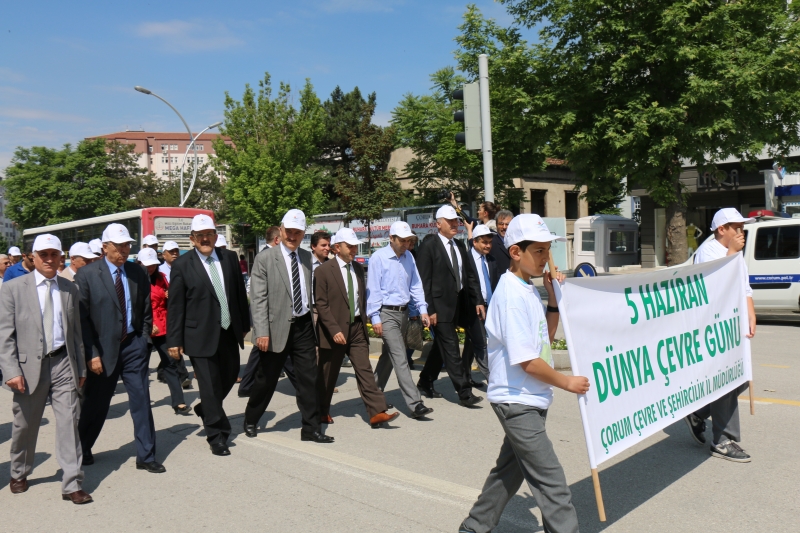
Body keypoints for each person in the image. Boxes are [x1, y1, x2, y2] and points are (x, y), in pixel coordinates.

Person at [460, 214, 588, 533]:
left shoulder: (526, 288)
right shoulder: (512, 296)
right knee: (552, 483)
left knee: (508, 472)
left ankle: (474, 527)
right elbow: (527, 360)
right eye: (540, 251)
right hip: (517, 401)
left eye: (548, 250)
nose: (547, 258)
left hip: (530, 398)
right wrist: (568, 382)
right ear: (516, 252)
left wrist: (554, 299)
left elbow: (544, 337)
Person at [0, 234, 92, 504]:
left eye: (54, 254)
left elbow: (75, 332)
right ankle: (19, 472)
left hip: (64, 362)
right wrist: (11, 370)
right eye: (44, 255)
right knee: (25, 425)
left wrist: (81, 366)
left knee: (69, 423)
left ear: (60, 257)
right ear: (33, 257)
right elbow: (4, 335)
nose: (50, 259)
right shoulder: (13, 288)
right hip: (29, 367)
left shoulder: (68, 288)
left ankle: (72, 482)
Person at [76, 223, 164, 473]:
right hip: (102, 352)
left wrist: (144, 340)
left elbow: (145, 309)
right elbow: (82, 320)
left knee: (141, 400)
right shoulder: (88, 275)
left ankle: (146, 455)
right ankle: (83, 448)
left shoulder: (137, 273)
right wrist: (92, 353)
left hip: (134, 346)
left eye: (127, 246)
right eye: (119, 246)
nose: (124, 251)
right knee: (96, 404)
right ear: (105, 247)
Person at [244, 209, 333, 443]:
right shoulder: (265, 259)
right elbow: (259, 298)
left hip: (303, 326)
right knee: (266, 379)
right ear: (281, 230)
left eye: (298, 232)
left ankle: (311, 428)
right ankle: (251, 418)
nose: (293, 236)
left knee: (308, 379)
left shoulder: (306, 258)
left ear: (303, 233)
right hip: (275, 328)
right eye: (289, 231)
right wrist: (261, 331)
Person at [167, 215, 250, 456]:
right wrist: (174, 340)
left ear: (215, 235)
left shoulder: (230, 258)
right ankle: (217, 435)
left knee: (230, 375)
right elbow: (176, 305)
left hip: (228, 331)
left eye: (209, 234)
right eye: (200, 235)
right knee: (209, 385)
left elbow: (237, 294)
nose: (205, 239)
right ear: (192, 239)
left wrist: (244, 323)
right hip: (199, 335)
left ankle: (207, 408)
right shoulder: (182, 265)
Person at [684, 208, 756, 462]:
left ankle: (699, 411)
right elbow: (714, 287)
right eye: (736, 227)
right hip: (713, 327)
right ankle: (723, 440)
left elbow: (743, 285)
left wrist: (750, 312)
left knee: (741, 376)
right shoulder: (709, 252)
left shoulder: (734, 253)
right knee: (727, 378)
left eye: (742, 226)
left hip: (731, 325)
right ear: (721, 229)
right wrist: (733, 253)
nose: (741, 231)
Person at [315, 228, 399, 428]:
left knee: (365, 370)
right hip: (333, 331)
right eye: (350, 246)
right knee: (328, 376)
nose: (354, 250)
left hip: (356, 328)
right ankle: (320, 411)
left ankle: (376, 411)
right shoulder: (323, 271)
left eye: (355, 246)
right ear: (337, 248)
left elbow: (361, 298)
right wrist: (334, 330)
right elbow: (321, 304)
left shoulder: (359, 269)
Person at [416, 205, 485, 407]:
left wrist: (478, 300)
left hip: (459, 305)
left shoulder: (460, 246)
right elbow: (423, 280)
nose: (455, 224)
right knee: (452, 347)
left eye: (456, 220)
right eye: (450, 221)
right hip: (439, 307)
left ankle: (426, 381)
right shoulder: (429, 246)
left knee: (442, 347)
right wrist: (429, 310)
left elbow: (470, 275)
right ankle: (464, 392)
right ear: (438, 224)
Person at [369, 221, 434, 419]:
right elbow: (373, 289)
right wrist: (375, 317)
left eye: (409, 240)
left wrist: (422, 309)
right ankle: (415, 404)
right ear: (391, 238)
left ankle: (373, 396)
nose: (406, 244)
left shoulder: (409, 258)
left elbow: (415, 284)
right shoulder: (378, 258)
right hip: (387, 313)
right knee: (400, 357)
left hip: (404, 313)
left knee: (389, 357)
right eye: (402, 240)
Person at [238, 226, 294, 398]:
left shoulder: (282, 256)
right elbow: (256, 291)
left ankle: (246, 385)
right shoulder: (264, 257)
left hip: (279, 316)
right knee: (274, 353)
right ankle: (304, 386)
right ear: (277, 240)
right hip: (269, 316)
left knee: (265, 353)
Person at [138, 248, 192, 416]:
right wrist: (147, 323)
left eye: (153, 265)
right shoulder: (133, 280)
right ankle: (141, 403)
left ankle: (179, 402)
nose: (150, 268)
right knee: (140, 368)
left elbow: (168, 297)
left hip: (163, 326)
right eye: (147, 265)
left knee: (170, 363)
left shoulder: (161, 278)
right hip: (144, 328)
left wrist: (169, 295)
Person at [462, 224, 497, 385]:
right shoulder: (466, 259)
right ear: (474, 242)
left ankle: (465, 376)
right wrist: (476, 302)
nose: (488, 245)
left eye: (489, 242)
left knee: (472, 343)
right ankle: (493, 380)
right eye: (484, 242)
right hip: (472, 308)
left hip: (490, 306)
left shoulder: (491, 260)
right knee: (481, 343)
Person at [492, 210, 513, 279]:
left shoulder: (517, 242)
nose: (504, 227)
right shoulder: (491, 243)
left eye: (507, 224)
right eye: (501, 224)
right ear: (496, 225)